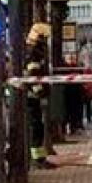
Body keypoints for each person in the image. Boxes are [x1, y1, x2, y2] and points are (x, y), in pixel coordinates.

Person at [23, 24, 55, 169]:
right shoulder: (33, 53)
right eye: (44, 38)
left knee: (37, 127)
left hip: (31, 96)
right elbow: (33, 75)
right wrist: (40, 93)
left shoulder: (33, 51)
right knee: (35, 127)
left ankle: (39, 158)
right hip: (31, 97)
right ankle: (37, 159)